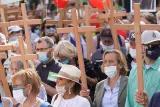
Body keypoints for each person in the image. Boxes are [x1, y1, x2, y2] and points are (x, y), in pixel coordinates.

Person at [125, 30, 160, 107]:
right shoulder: (134, 70)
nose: (156, 48)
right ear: (142, 47)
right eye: (151, 45)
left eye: (158, 45)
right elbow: (129, 101)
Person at [35, 36, 61, 102]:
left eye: (42, 49)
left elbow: (59, 94)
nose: (39, 52)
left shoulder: (58, 68)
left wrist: (39, 83)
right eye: (37, 49)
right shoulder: (38, 68)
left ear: (51, 50)